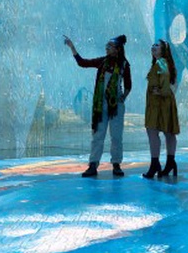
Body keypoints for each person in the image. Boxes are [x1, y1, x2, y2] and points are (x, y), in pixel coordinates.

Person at [63, 34, 131, 177]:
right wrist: (72, 47)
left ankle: (116, 164)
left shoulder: (124, 65)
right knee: (98, 135)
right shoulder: (102, 62)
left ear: (117, 49)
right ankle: (93, 164)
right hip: (101, 104)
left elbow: (128, 85)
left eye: (110, 46)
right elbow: (82, 63)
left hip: (116, 106)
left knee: (116, 136)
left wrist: (123, 97)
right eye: (107, 45)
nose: (107, 48)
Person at [143, 39, 180, 179]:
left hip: (159, 102)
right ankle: (170, 162)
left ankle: (155, 163)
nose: (153, 47)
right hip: (163, 101)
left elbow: (164, 76)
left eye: (157, 45)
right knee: (168, 132)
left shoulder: (161, 62)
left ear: (163, 50)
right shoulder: (162, 62)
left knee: (153, 130)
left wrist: (162, 91)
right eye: (153, 45)